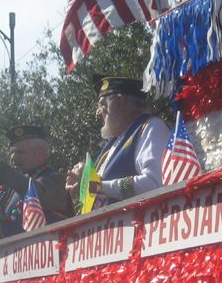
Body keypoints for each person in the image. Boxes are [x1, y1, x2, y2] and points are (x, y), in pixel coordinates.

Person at [66, 75, 171, 206]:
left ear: (120, 103)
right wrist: (83, 178)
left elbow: (156, 183)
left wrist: (98, 187)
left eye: (103, 105)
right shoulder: (114, 142)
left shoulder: (152, 126)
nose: (98, 113)